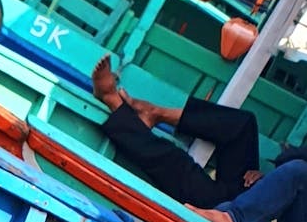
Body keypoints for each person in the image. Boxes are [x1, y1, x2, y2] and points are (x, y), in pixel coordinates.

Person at [91, 54, 262, 208]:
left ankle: (112, 100)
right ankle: (155, 113)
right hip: (258, 193)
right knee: (242, 125)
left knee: (179, 169)